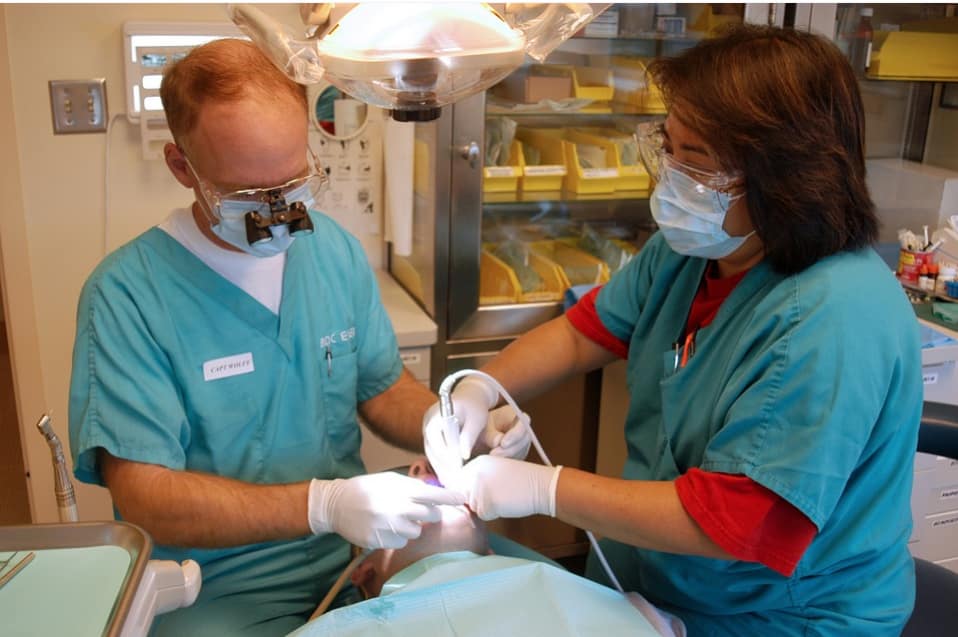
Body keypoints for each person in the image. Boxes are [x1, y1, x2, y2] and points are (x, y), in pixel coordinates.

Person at [425, 25, 923, 636]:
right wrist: (479, 390)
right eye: (670, 144)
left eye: (699, 160)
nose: (673, 174)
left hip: (778, 615)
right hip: (662, 581)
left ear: (782, 177)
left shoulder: (832, 319)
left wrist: (543, 489)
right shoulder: (698, 253)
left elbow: (734, 520)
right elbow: (585, 332)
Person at [67, 38, 527, 636]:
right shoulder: (127, 296)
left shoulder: (330, 250)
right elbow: (148, 497)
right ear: (183, 168)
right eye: (250, 197)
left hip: (353, 558)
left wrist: (445, 424)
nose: (281, 214)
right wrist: (322, 504)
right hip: (215, 586)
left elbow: (380, 388)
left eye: (294, 185)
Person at [292, 459, 685, 637]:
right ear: (363, 572)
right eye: (402, 478)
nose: (418, 469)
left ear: (491, 552)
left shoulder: (593, 598)